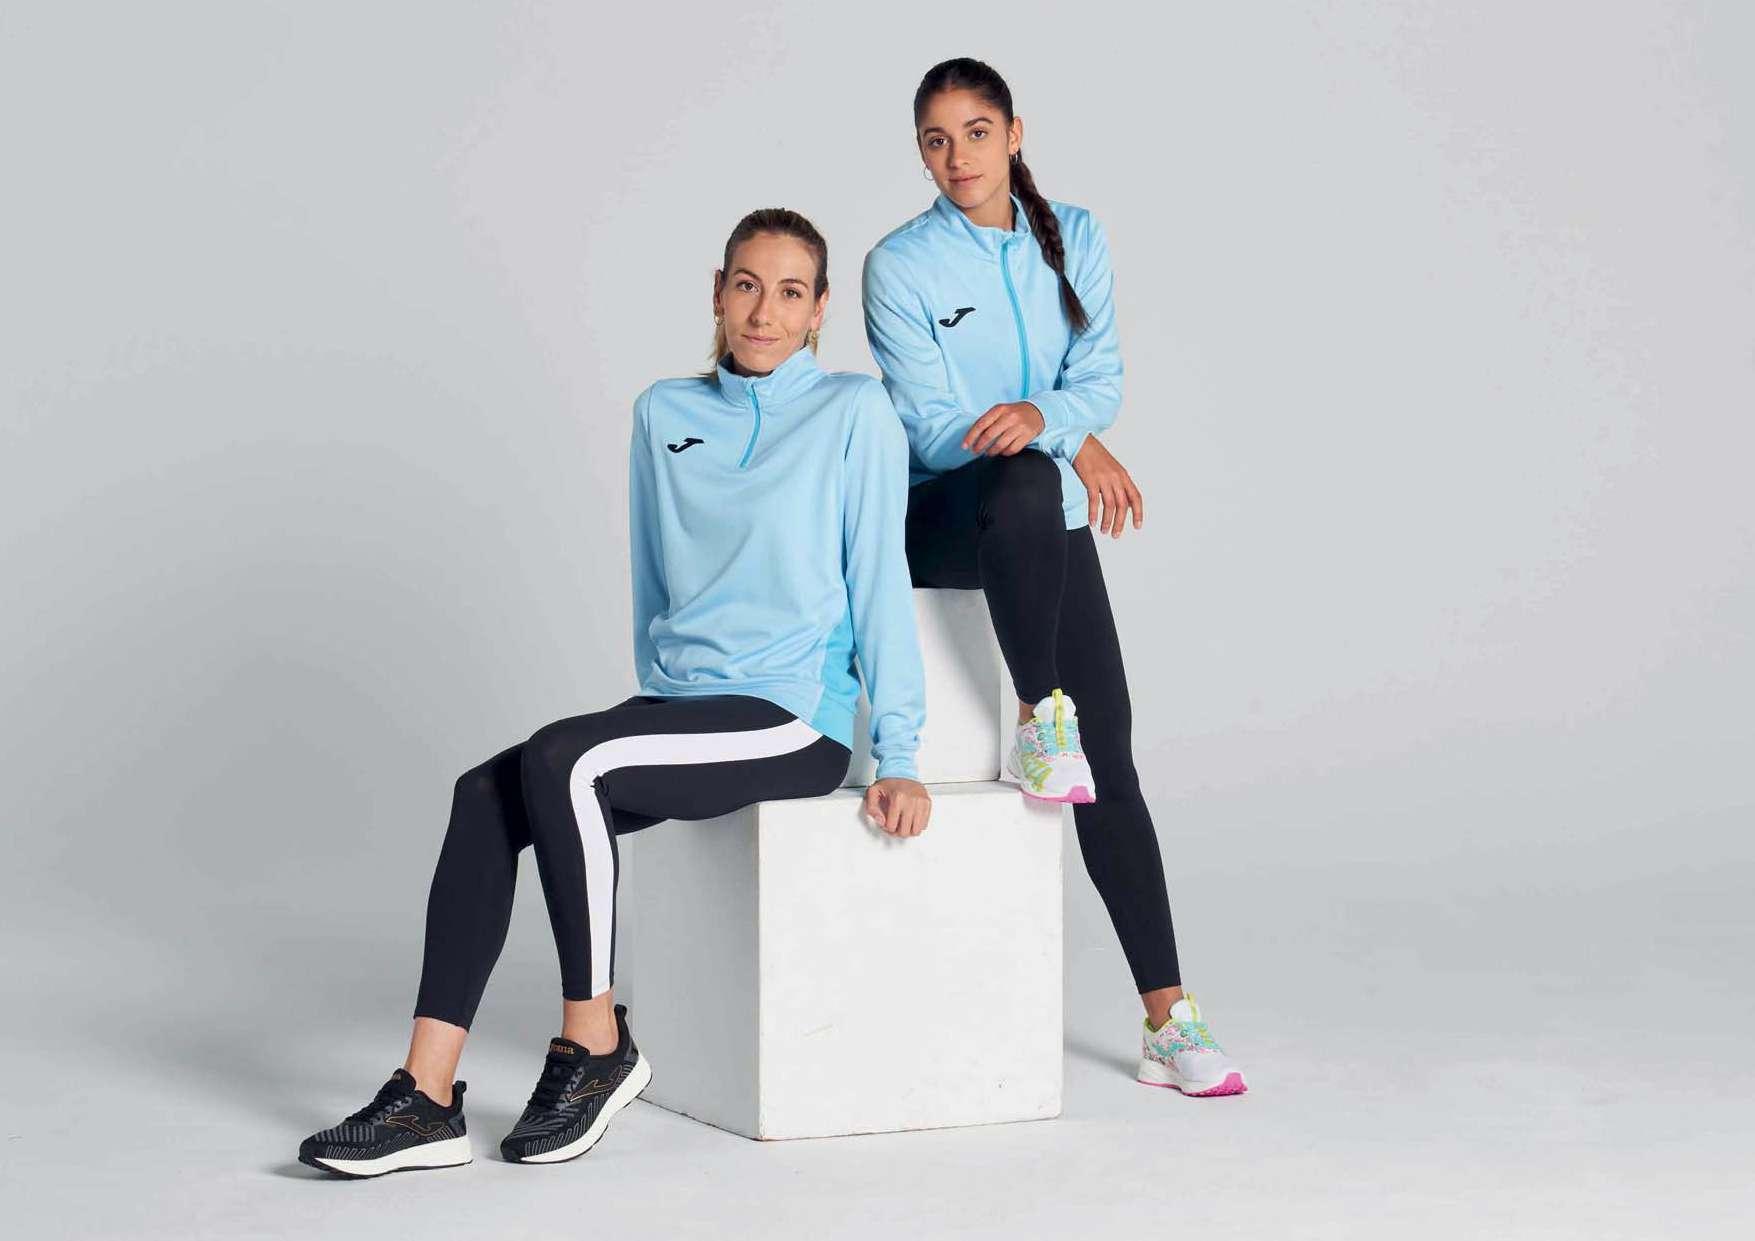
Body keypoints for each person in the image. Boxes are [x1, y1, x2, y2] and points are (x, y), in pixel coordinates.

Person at [299, 208, 932, 1178]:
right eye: (747, 285)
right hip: (682, 707)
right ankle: (425, 1094)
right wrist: (656, 705)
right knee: (484, 794)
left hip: (790, 715)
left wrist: (901, 751)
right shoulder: (663, 412)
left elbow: (879, 579)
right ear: (717, 292)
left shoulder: (854, 412)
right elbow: (654, 576)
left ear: (818, 311)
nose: (763, 311)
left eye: (789, 292)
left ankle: (594, 1040)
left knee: (566, 757)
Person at [861, 57, 1247, 1098]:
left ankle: (1169, 1019)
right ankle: (1040, 709)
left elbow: (1100, 377)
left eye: (976, 132)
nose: (958, 157)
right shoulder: (899, 265)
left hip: (1044, 521)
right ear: (920, 152)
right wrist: (1063, 436)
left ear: (1015, 132)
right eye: (936, 139)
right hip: (947, 514)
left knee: (1110, 759)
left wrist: (1057, 423)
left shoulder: (1073, 235)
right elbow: (929, 425)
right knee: (1027, 479)